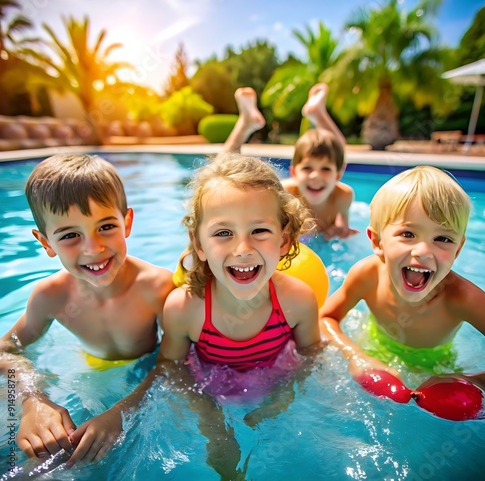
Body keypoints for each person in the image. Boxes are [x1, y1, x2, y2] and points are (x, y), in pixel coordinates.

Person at [81, 153, 322, 477]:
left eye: (259, 231)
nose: (242, 249)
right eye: (223, 233)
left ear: (284, 240)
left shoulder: (298, 301)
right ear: (199, 245)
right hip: (209, 389)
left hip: (271, 385)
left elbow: (311, 357)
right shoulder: (185, 308)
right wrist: (210, 420)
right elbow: (170, 368)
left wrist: (279, 403)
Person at [0, 154, 175, 463]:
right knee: (32, 457)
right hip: (86, 371)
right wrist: (33, 400)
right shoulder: (51, 296)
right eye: (70, 235)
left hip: (145, 372)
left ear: (128, 223)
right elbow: (7, 350)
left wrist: (122, 412)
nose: (93, 248)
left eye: (106, 226)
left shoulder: (158, 288)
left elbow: (176, 363)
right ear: (45, 243)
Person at [319, 165, 485, 378]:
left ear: (458, 250)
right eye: (408, 234)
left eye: (443, 239)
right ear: (377, 242)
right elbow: (325, 318)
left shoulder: (465, 299)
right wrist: (356, 356)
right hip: (373, 345)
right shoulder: (367, 275)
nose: (423, 252)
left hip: (435, 368)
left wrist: (469, 382)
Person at [224, 84, 358, 239]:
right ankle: (244, 125)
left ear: (338, 175)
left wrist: (339, 230)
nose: (315, 175)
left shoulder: (343, 197)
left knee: (336, 150)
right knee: (224, 178)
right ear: (294, 172)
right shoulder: (285, 195)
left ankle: (317, 114)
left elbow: (343, 228)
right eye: (307, 168)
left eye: (326, 169)